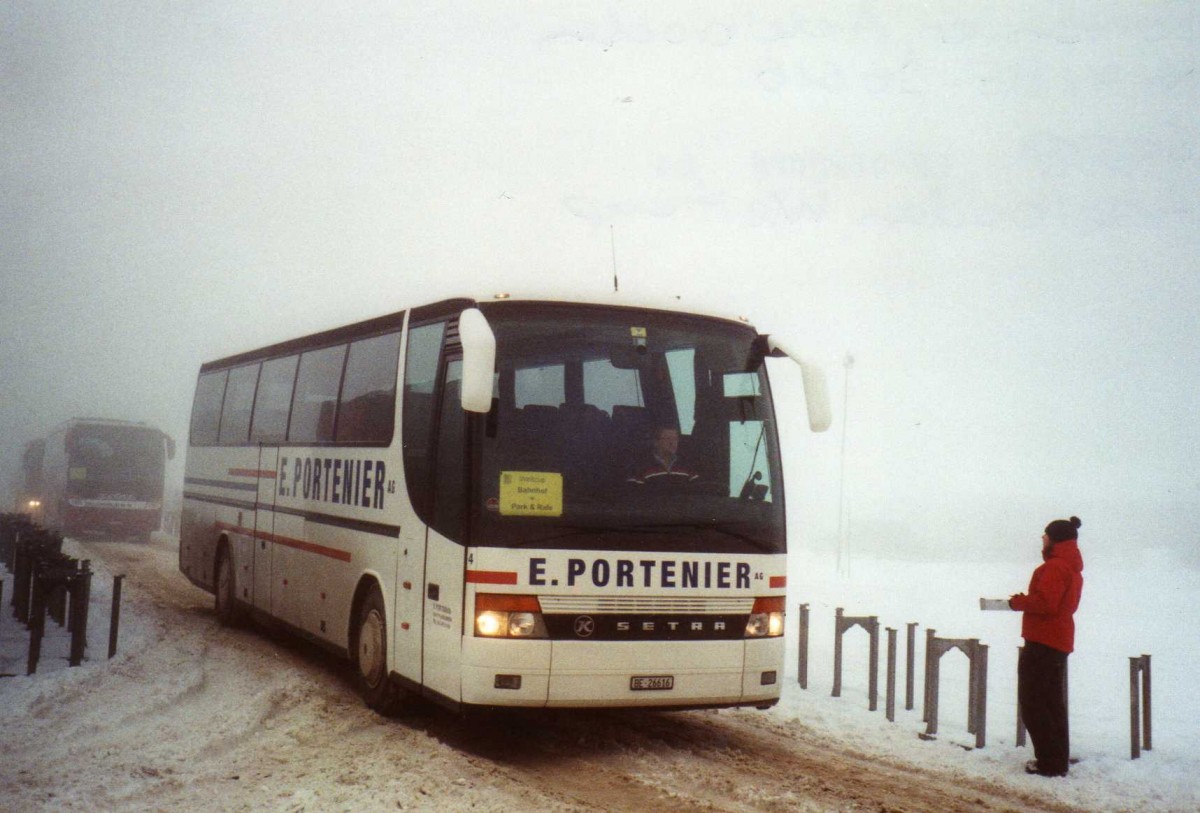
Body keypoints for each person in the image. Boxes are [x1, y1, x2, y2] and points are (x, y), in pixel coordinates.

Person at [1009, 516, 1084, 778]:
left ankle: (1050, 763)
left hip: (1043, 642)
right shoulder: (1071, 567)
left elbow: (1046, 604)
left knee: (1034, 703)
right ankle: (1057, 758)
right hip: (1058, 641)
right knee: (1052, 703)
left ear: (1055, 539)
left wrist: (1019, 602)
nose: (1042, 538)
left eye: (1045, 534)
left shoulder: (1054, 568)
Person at [626, 426, 699, 489]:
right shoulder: (641, 466)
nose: (672, 442)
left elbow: (696, 494)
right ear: (656, 442)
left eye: (675, 439)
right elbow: (634, 497)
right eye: (667, 438)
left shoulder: (686, 465)